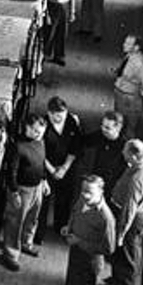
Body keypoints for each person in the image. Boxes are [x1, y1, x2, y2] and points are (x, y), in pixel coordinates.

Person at [0, 113, 49, 272]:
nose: (38, 134)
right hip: (22, 189)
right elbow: (11, 173)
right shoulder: (18, 146)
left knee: (32, 219)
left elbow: (41, 162)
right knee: (15, 222)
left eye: (41, 131)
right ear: (26, 127)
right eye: (35, 130)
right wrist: (14, 193)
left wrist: (44, 180)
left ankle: (26, 243)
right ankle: (10, 254)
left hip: (37, 188)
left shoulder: (40, 141)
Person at [108, 139, 143, 285]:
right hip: (138, 214)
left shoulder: (136, 179)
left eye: (126, 151)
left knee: (127, 253)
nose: (123, 152)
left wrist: (122, 232)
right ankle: (116, 280)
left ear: (134, 156)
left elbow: (129, 208)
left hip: (132, 218)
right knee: (122, 252)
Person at [38, 96, 82, 242]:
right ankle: (39, 233)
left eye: (61, 116)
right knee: (43, 200)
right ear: (49, 113)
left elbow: (75, 146)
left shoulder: (71, 121)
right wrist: (52, 170)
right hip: (47, 167)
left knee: (65, 199)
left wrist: (64, 168)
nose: (59, 119)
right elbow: (40, 150)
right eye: (55, 116)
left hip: (66, 167)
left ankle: (60, 227)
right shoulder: (42, 124)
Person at [62, 175, 116, 285]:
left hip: (90, 262)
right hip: (75, 253)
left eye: (89, 192)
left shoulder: (106, 218)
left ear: (101, 191)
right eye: (83, 190)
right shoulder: (82, 199)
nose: (84, 195)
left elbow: (109, 248)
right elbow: (75, 212)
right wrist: (69, 226)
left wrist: (79, 241)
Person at [112, 34, 143, 137]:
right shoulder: (129, 56)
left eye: (128, 43)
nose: (124, 44)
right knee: (118, 124)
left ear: (136, 47)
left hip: (129, 99)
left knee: (128, 129)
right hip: (120, 94)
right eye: (125, 42)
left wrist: (134, 91)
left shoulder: (141, 63)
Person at [78, 111, 128, 191]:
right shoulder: (99, 135)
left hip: (112, 186)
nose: (103, 129)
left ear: (118, 128)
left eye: (107, 128)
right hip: (95, 182)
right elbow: (81, 141)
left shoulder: (124, 146)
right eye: (102, 125)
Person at [45, 0, 75, 66]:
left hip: (64, 7)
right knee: (50, 32)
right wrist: (47, 14)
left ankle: (59, 56)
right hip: (53, 7)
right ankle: (45, 54)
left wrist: (72, 12)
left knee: (62, 33)